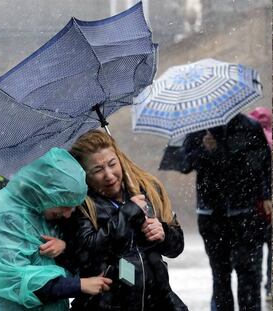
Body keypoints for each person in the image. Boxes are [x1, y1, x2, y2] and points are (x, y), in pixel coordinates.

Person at [0, 147, 112, 311]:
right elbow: (17, 279)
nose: (67, 214)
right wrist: (78, 284)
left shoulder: (38, 211)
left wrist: (65, 249)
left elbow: (43, 263)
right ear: (45, 193)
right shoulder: (9, 216)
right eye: (64, 206)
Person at [66, 129, 188, 311]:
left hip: (157, 301)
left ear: (120, 159)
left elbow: (176, 247)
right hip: (107, 305)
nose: (108, 174)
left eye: (112, 163)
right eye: (98, 170)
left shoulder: (148, 188)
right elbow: (86, 253)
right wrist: (126, 214)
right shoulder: (79, 206)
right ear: (84, 175)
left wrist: (163, 233)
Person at [176, 113, 272, 311]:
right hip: (212, 215)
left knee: (249, 276)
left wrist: (266, 195)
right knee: (220, 275)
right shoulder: (198, 128)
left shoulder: (249, 126)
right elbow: (184, 164)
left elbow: (264, 163)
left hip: (245, 214)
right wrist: (205, 149)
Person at [248, 107, 273, 299]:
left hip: (252, 208)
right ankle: (270, 285)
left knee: (254, 251)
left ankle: (256, 287)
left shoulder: (249, 142)